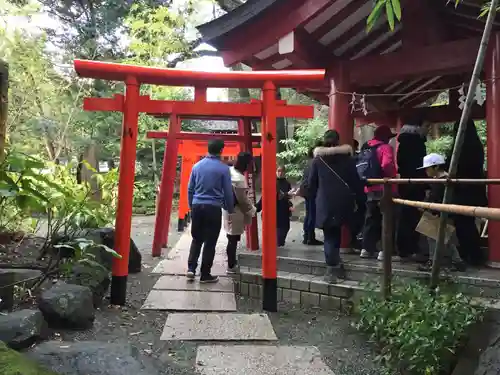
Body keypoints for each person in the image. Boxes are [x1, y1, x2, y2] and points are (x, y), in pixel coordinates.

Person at [309, 130, 365, 282]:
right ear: (338, 141)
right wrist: (360, 199)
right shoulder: (347, 160)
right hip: (342, 201)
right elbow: (355, 182)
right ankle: (335, 262)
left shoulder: (318, 161)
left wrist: (313, 201)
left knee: (329, 234)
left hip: (324, 201)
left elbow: (311, 184)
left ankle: (332, 267)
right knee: (337, 231)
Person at [186, 139, 235, 283]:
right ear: (221, 151)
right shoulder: (223, 169)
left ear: (208, 149)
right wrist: (229, 209)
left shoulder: (196, 166)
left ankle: (190, 269)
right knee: (210, 242)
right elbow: (227, 192)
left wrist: (192, 205)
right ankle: (205, 274)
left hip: (197, 206)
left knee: (196, 239)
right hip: (213, 208)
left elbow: (190, 189)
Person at [446, 119, 488, 266]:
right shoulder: (477, 146)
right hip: (475, 189)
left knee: (462, 224)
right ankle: (474, 254)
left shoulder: (458, 146)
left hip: (461, 189)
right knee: (468, 223)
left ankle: (470, 254)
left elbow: (451, 165)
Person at [417, 153, 466, 272]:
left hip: (440, 212)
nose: (426, 171)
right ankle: (457, 261)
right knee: (445, 238)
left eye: (427, 168)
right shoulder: (441, 180)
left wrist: (427, 207)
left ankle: (433, 262)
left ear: (436, 167)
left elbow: (436, 198)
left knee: (434, 237)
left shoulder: (443, 181)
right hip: (439, 212)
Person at [359, 125, 398, 261]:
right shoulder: (385, 148)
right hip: (384, 188)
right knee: (386, 218)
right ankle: (384, 250)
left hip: (369, 188)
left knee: (370, 218)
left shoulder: (366, 146)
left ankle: (366, 249)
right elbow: (387, 165)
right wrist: (393, 175)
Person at [396, 115, 429, 261]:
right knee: (414, 217)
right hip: (416, 184)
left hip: (405, 183)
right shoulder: (417, 143)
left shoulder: (402, 142)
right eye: (426, 126)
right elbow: (420, 166)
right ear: (419, 126)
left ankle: (403, 248)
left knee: (405, 216)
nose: (428, 130)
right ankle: (412, 248)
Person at [222, 152, 256, 274]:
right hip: (236, 211)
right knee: (233, 238)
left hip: (226, 208)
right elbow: (243, 199)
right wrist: (252, 210)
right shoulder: (239, 179)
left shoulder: (229, 171)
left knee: (230, 236)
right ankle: (231, 265)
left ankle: (231, 262)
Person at [256, 165, 293, 247]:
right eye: (278, 171)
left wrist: (290, 205)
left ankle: (279, 244)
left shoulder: (287, 184)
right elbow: (264, 197)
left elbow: (288, 198)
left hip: (283, 211)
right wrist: (257, 208)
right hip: (273, 211)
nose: (280, 173)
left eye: (281, 171)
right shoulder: (271, 182)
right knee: (275, 235)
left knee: (283, 231)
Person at [298, 140, 323, 245]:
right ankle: (310, 237)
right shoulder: (316, 161)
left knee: (309, 213)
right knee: (312, 214)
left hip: (306, 189)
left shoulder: (309, 161)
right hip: (312, 190)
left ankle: (306, 236)